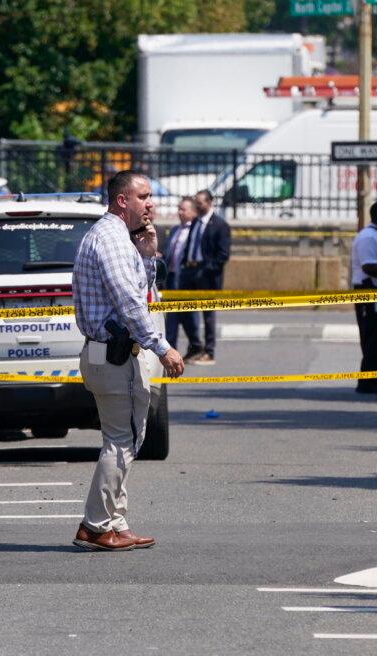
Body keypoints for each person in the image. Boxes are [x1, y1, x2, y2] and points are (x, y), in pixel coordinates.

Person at [71, 170, 185, 552]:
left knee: (126, 439)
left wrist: (148, 256)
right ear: (123, 201)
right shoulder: (112, 240)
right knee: (120, 442)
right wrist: (162, 347)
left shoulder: (122, 240)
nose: (151, 203)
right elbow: (131, 303)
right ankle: (95, 525)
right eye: (144, 196)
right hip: (114, 355)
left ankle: (115, 523)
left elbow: (142, 290)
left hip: (115, 354)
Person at [180, 189, 231, 365]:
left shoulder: (220, 225)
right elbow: (191, 244)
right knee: (184, 310)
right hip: (189, 271)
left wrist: (207, 268)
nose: (197, 206)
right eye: (196, 202)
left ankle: (209, 351)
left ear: (209, 203)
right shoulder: (195, 222)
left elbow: (223, 254)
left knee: (208, 315)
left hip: (207, 274)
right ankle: (195, 345)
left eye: (200, 203)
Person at [351, 199, 377, 395]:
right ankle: (368, 380)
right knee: (373, 336)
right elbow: (368, 266)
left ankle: (375, 378)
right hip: (368, 291)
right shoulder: (368, 237)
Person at [164, 197, 200, 355]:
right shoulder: (174, 230)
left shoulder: (196, 231)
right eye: (179, 208)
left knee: (189, 316)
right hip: (171, 278)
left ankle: (196, 344)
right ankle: (171, 350)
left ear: (193, 212)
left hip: (187, 280)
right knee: (171, 316)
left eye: (183, 209)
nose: (179, 212)